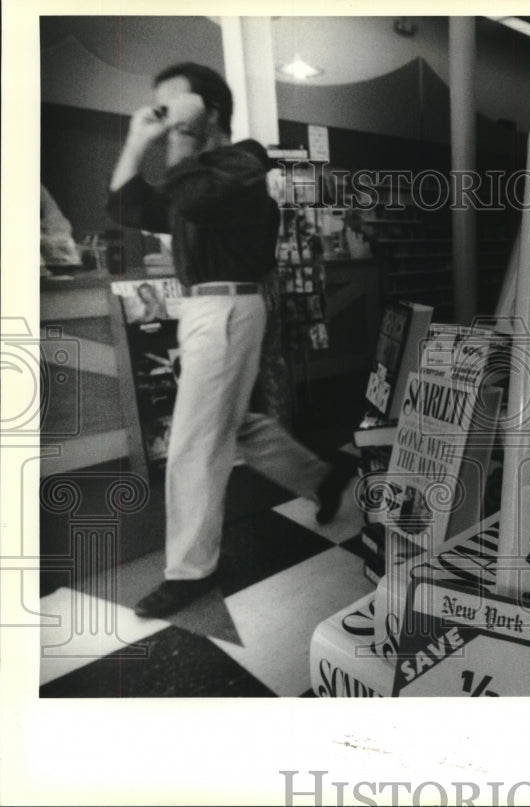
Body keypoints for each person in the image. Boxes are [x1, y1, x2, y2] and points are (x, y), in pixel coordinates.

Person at [108, 63, 354, 619]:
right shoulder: (198, 172)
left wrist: (181, 137)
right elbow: (124, 209)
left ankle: (191, 569)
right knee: (233, 425)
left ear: (209, 109)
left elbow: (191, 200)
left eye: (176, 105)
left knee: (195, 442)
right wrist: (136, 139)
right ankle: (324, 476)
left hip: (226, 306)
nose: (167, 117)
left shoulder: (241, 160)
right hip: (206, 307)